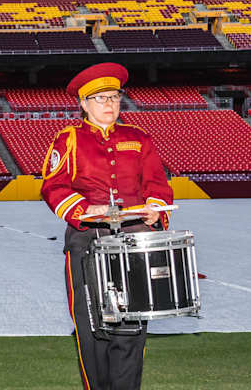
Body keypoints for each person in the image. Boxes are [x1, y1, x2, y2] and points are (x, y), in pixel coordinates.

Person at [39, 62, 172, 390]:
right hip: (88, 243)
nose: (110, 104)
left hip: (134, 244)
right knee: (93, 329)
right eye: (100, 99)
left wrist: (156, 207)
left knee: (132, 330)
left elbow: (157, 183)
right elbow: (53, 187)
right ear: (83, 104)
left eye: (114, 97)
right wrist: (84, 209)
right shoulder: (68, 139)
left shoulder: (139, 138)